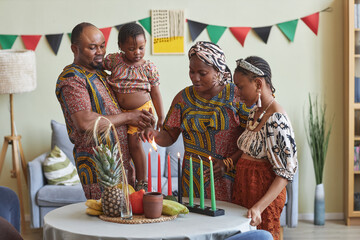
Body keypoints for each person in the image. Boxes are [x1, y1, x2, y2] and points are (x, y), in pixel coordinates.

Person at [55, 22, 155, 199]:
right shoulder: (72, 79)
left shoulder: (102, 74)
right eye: (92, 47)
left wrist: (143, 118)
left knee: (128, 223)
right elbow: (85, 123)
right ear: (75, 49)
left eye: (102, 46)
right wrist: (129, 116)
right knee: (107, 224)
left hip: (122, 167)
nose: (100, 52)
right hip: (100, 172)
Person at [141, 41, 249, 202]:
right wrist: (153, 135)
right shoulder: (183, 98)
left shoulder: (237, 95)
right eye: (191, 71)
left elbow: (252, 137)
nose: (195, 78)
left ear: (218, 71)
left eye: (202, 73)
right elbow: (169, 136)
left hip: (229, 177)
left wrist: (229, 163)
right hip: (192, 181)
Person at [232, 56, 297, 240]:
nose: (237, 93)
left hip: (262, 198)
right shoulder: (254, 112)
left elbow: (285, 173)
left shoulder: (277, 119)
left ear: (258, 84)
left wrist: (259, 207)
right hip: (245, 192)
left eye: (241, 87)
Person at [103, 22, 164, 191]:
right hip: (118, 111)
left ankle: (142, 180)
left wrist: (161, 116)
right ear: (120, 46)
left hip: (141, 111)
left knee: (134, 144)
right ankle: (121, 179)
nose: (137, 52)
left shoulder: (148, 68)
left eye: (141, 47)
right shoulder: (114, 61)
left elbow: (156, 93)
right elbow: (98, 67)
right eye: (131, 48)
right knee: (120, 147)